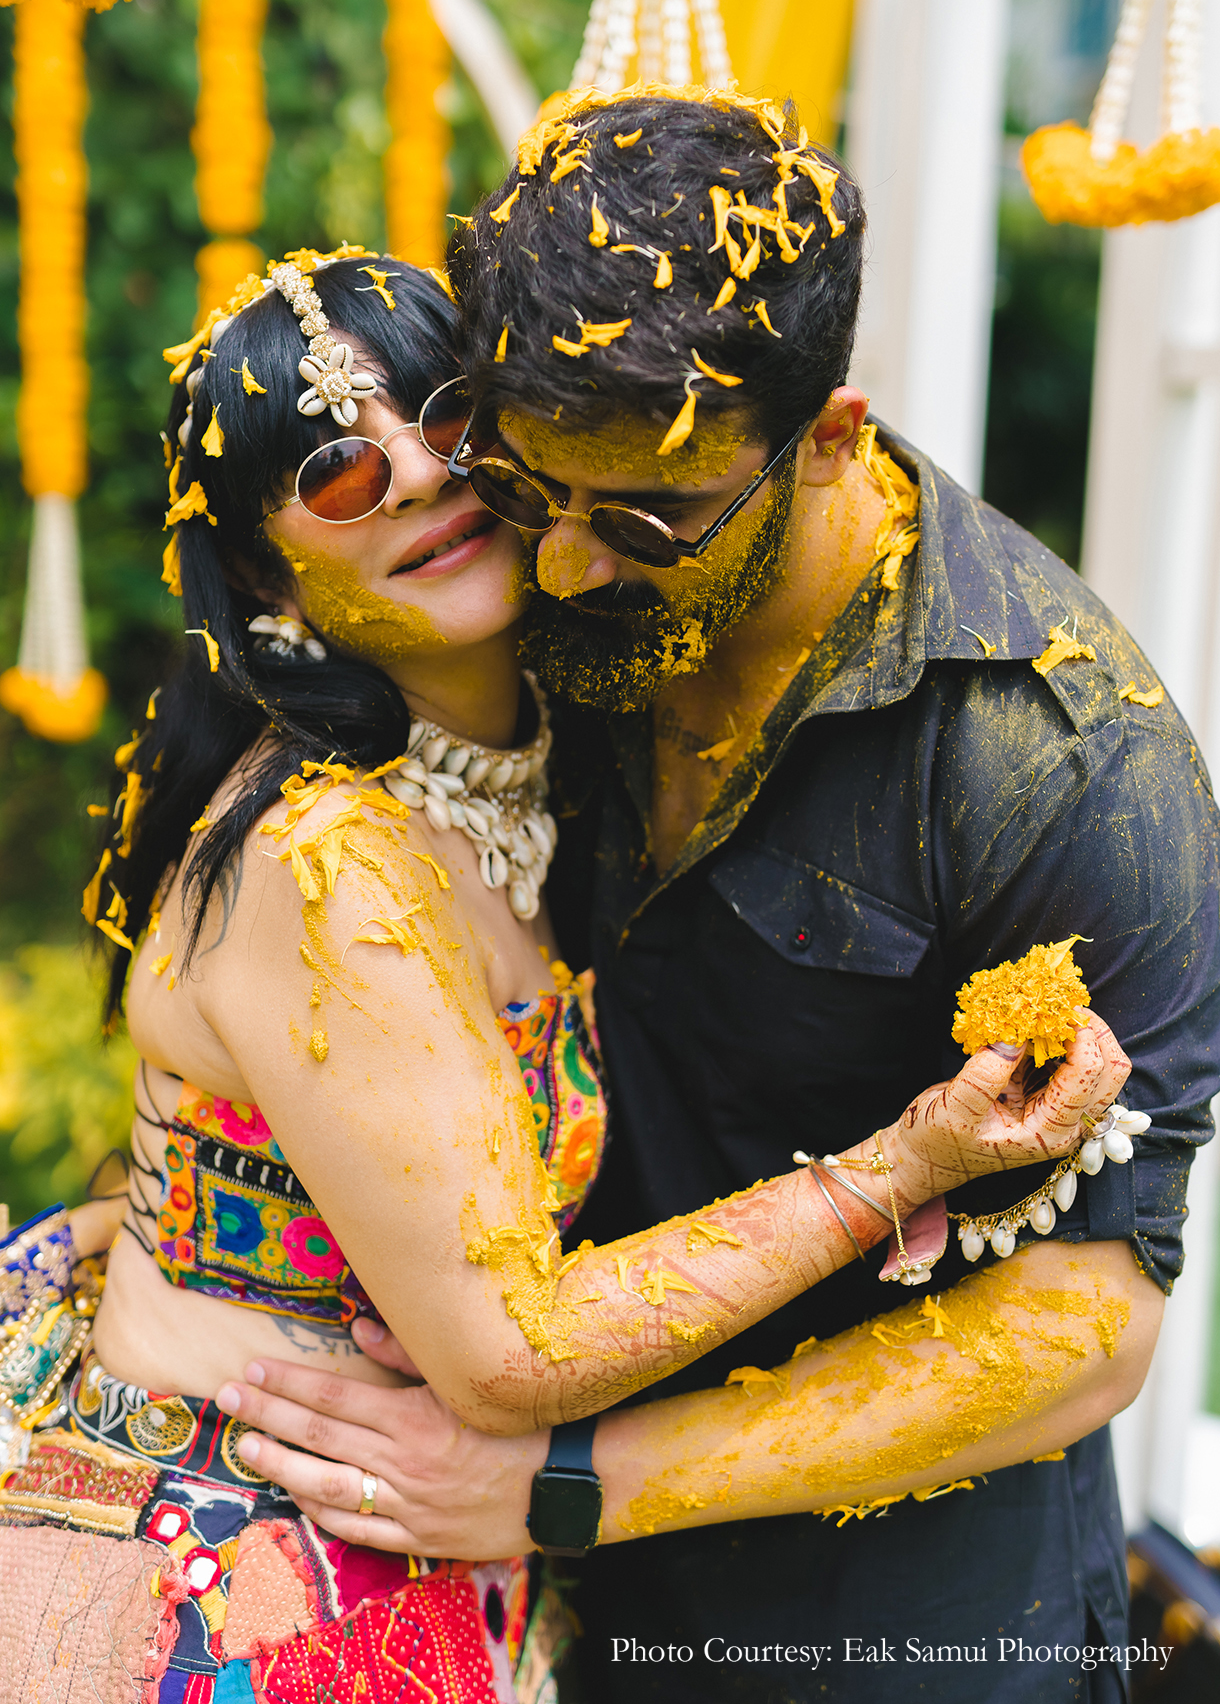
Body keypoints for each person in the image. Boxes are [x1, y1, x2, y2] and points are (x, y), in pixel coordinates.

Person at [0, 247, 1113, 1704]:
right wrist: (906, 1161)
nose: (412, 474)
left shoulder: (551, 772)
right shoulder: (330, 858)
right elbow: (509, 1353)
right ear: (271, 580)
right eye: (336, 469)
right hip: (231, 1587)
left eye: (451, 416)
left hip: (431, 1553)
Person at [214, 92, 1220, 1704]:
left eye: (638, 522)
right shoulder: (546, 610)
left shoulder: (1065, 757)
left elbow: (1086, 1323)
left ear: (828, 436)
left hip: (906, 1629)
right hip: (541, 1596)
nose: (556, 571)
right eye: (529, 491)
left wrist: (570, 1476)